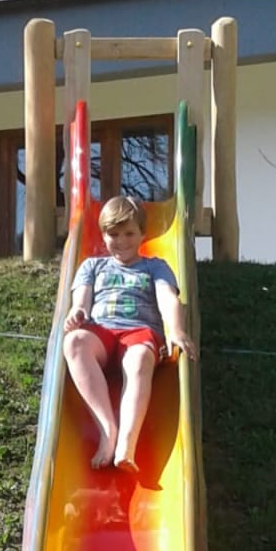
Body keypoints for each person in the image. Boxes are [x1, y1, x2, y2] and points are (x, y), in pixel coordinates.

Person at [63, 193, 198, 474]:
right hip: (101, 331)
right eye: (113, 234)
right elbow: (81, 300)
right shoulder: (93, 266)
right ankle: (107, 429)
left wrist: (176, 329)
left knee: (138, 361)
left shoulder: (155, 267)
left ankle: (127, 442)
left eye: (129, 234)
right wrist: (77, 312)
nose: (121, 241)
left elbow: (168, 298)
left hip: (139, 333)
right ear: (103, 235)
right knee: (74, 342)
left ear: (142, 234)